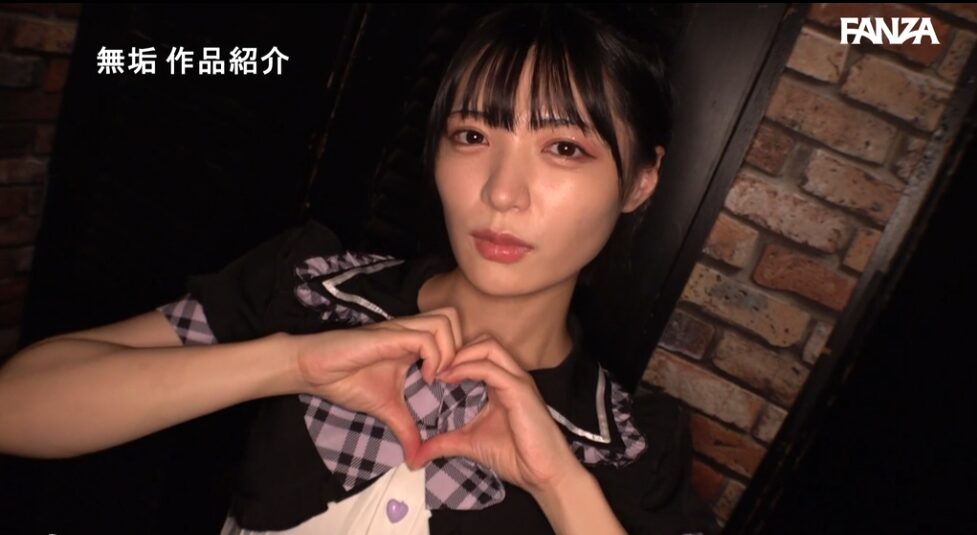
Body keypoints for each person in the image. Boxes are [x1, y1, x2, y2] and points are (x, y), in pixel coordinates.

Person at [0, 4, 718, 534]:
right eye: (472, 135)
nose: (502, 193)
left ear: (640, 180)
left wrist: (558, 483)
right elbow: (16, 408)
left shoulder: (629, 448)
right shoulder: (316, 284)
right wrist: (288, 364)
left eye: (564, 148)